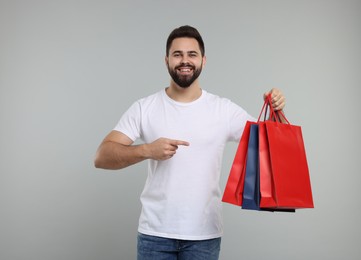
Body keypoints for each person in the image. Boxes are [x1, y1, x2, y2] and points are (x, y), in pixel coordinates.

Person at [94, 25, 286, 260]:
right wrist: (147, 150)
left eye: (192, 54)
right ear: (166, 61)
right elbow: (102, 156)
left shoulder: (223, 110)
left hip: (204, 236)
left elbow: (270, 145)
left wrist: (275, 110)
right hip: (155, 234)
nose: (185, 61)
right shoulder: (145, 107)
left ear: (203, 60)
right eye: (177, 54)